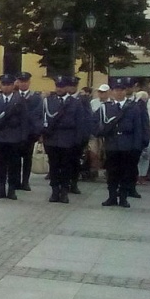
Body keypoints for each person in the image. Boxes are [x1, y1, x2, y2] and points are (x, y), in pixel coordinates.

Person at [98, 78, 150, 208]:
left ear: (125, 91)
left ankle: (123, 198)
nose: (119, 92)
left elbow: (138, 128)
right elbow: (96, 124)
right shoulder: (107, 107)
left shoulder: (133, 108)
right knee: (112, 172)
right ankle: (111, 197)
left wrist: (137, 146)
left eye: (121, 90)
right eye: (116, 90)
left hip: (128, 145)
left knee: (126, 173)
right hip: (112, 145)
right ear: (112, 91)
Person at [41, 76, 85, 204]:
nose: (59, 89)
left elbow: (79, 122)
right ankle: (55, 191)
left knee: (66, 167)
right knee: (54, 167)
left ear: (67, 87)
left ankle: (65, 191)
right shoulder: (49, 101)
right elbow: (42, 118)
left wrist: (78, 141)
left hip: (68, 140)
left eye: (62, 86)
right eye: (57, 86)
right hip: (52, 139)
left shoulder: (75, 102)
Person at [0, 74, 25, 200]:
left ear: (12, 86)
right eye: (4, 85)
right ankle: (0, 188)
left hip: (14, 137)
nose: (6, 87)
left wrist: (22, 137)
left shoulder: (19, 100)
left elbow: (24, 120)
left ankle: (12, 190)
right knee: (0, 164)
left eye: (8, 85)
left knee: (14, 165)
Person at [15, 72, 43, 191]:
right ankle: (15, 181)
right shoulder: (14, 95)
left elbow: (38, 115)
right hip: (15, 133)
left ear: (29, 82)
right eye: (21, 81)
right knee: (14, 159)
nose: (23, 84)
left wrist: (37, 132)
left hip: (29, 133)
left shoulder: (35, 97)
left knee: (27, 158)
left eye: (25, 81)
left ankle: (25, 182)